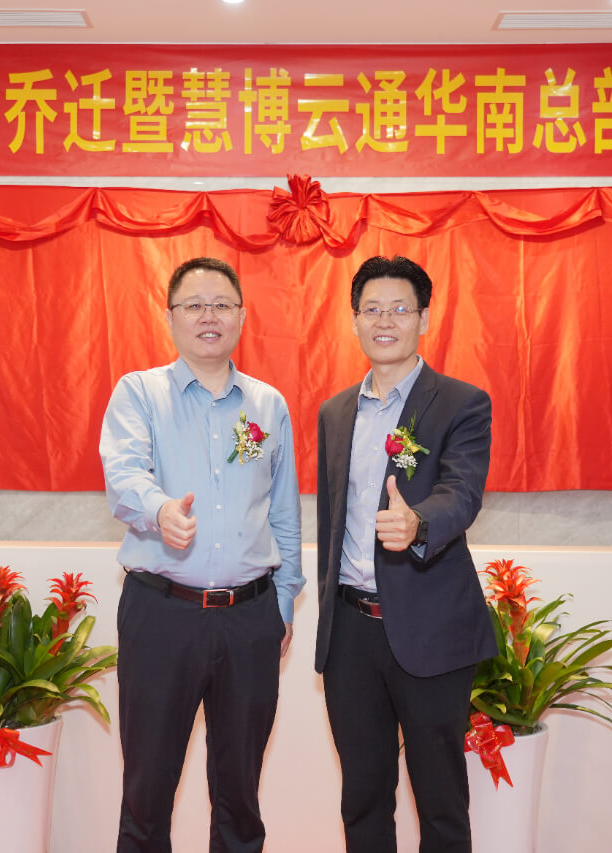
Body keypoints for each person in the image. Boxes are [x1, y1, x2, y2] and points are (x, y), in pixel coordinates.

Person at [99, 256, 303, 853]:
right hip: (162, 614)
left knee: (240, 796)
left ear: (242, 315)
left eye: (221, 304)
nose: (208, 316)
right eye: (194, 305)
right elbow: (123, 475)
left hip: (250, 619)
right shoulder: (139, 393)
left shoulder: (268, 405)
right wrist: (159, 508)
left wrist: (282, 606)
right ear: (170, 317)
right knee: (147, 792)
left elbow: (284, 513)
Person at [314, 255, 495, 853]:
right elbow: (332, 517)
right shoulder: (335, 412)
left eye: (399, 309)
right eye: (372, 309)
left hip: (431, 630)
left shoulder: (461, 403)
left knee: (441, 802)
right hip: (350, 634)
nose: (385, 321)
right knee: (363, 798)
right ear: (354, 321)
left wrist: (418, 522)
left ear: (424, 318)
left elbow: (461, 492)